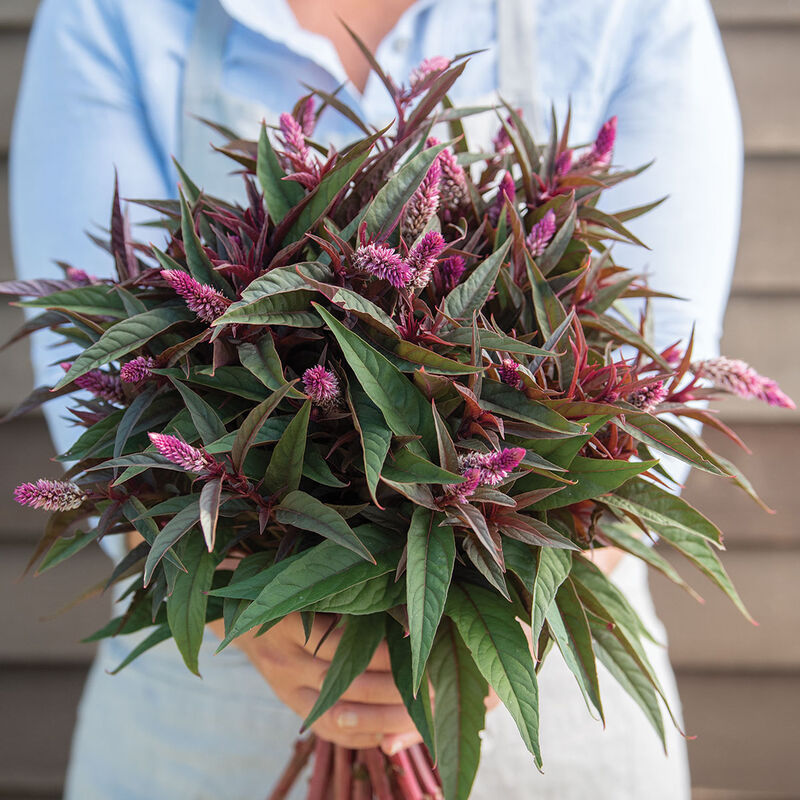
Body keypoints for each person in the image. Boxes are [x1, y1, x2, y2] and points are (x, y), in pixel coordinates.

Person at [10, 0, 742, 797]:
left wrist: (487, 614)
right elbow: (106, 389)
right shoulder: (108, 11)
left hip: (548, 670)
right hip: (210, 701)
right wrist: (244, 609)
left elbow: (646, 395)